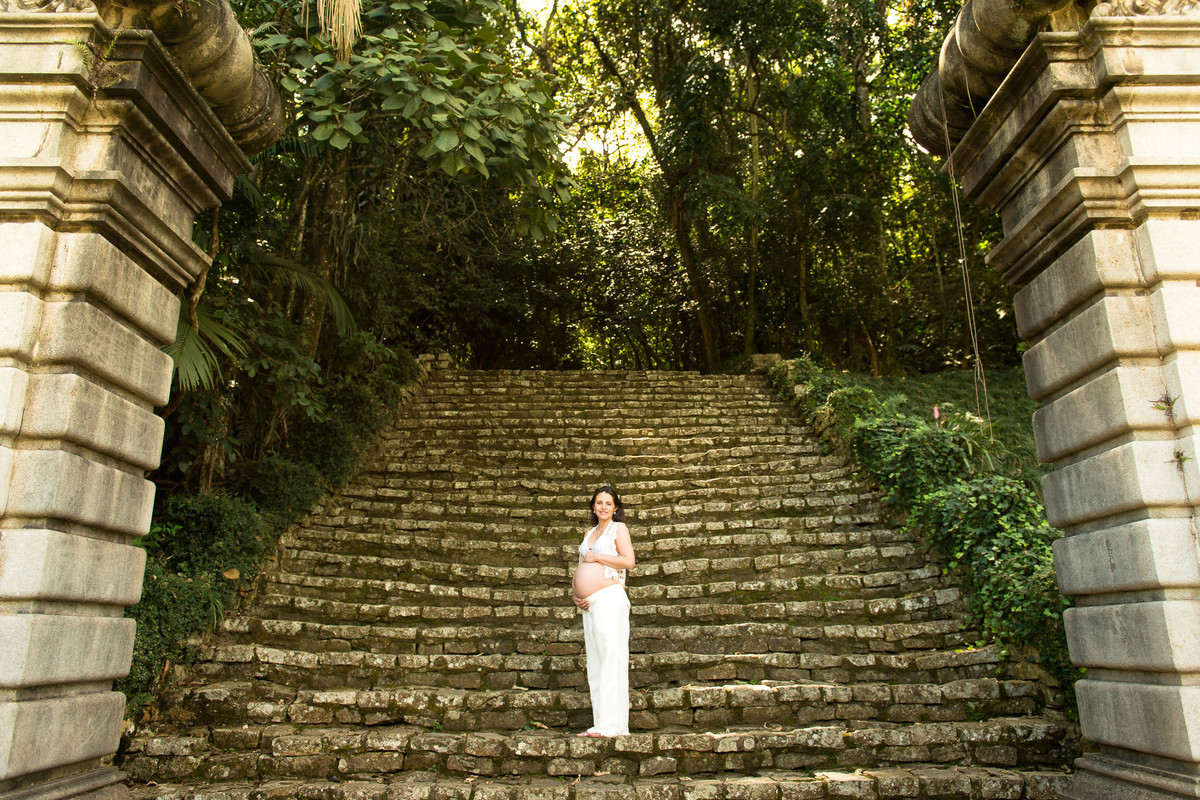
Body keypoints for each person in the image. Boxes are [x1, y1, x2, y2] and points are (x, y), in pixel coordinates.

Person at [571, 484, 636, 737]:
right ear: (593, 506)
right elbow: (581, 566)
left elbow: (628, 561)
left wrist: (598, 558)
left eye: (608, 503)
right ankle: (600, 723)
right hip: (590, 604)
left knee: (611, 659)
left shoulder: (618, 529)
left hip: (610, 598)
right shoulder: (589, 533)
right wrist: (577, 594)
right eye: (599, 503)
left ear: (616, 507)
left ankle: (614, 726)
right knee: (596, 662)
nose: (603, 507)